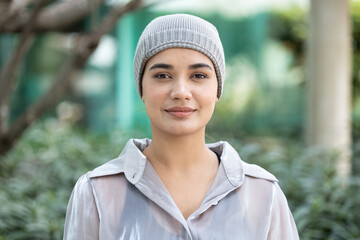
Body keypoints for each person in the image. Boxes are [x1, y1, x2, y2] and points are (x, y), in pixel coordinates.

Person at [63, 14, 299, 240]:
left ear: (217, 89)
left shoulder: (262, 193)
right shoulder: (97, 192)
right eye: (163, 75)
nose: (180, 92)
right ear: (141, 88)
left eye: (198, 75)